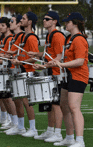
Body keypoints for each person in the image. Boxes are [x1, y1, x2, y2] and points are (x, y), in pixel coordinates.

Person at [47, 12, 89, 147]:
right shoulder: (69, 38)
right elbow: (64, 59)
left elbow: (80, 61)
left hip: (78, 76)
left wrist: (62, 65)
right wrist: (45, 64)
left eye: (68, 22)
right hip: (67, 75)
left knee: (74, 107)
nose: (65, 24)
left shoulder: (79, 39)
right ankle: (69, 137)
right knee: (64, 106)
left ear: (75, 23)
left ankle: (80, 140)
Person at [28, 11, 64, 142]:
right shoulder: (49, 35)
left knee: (56, 104)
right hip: (50, 72)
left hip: (57, 74)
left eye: (47, 19)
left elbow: (59, 56)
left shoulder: (58, 35)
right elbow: (48, 53)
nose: (44, 21)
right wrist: (37, 54)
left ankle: (58, 133)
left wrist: (45, 66)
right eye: (43, 19)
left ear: (54, 21)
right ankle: (50, 130)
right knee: (49, 102)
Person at [8, 11, 39, 137]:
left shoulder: (31, 37)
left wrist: (21, 62)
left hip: (28, 71)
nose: (21, 21)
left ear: (30, 22)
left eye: (24, 19)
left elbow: (35, 57)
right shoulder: (23, 37)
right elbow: (19, 53)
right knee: (18, 99)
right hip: (20, 70)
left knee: (27, 102)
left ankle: (33, 128)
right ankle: (20, 126)